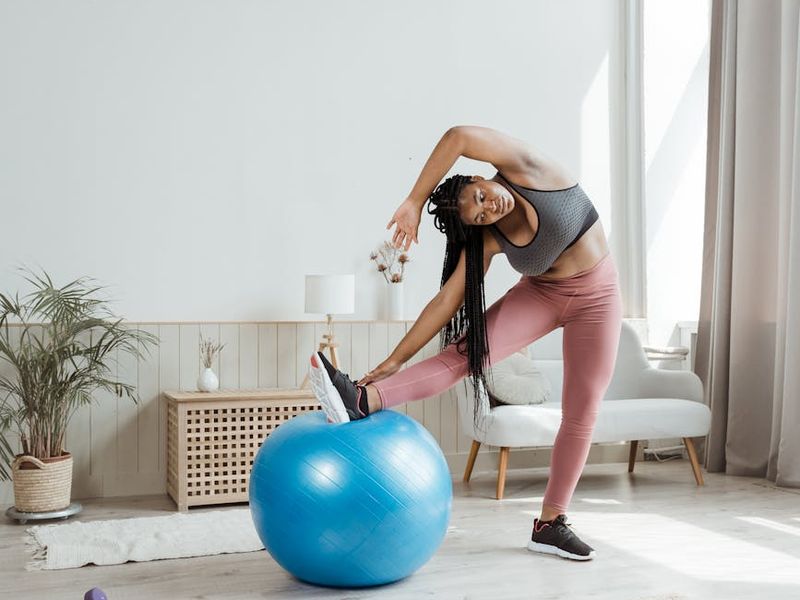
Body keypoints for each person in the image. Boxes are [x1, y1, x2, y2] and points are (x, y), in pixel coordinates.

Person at [308, 125, 622, 561]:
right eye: (478, 217)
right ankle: (361, 398)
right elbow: (445, 301)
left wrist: (414, 202)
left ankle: (550, 523)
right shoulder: (490, 238)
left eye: (479, 197)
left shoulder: (530, 169)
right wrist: (395, 359)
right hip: (542, 294)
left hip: (598, 294)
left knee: (583, 408)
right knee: (462, 355)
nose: (487, 207)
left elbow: (457, 136)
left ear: (479, 178)